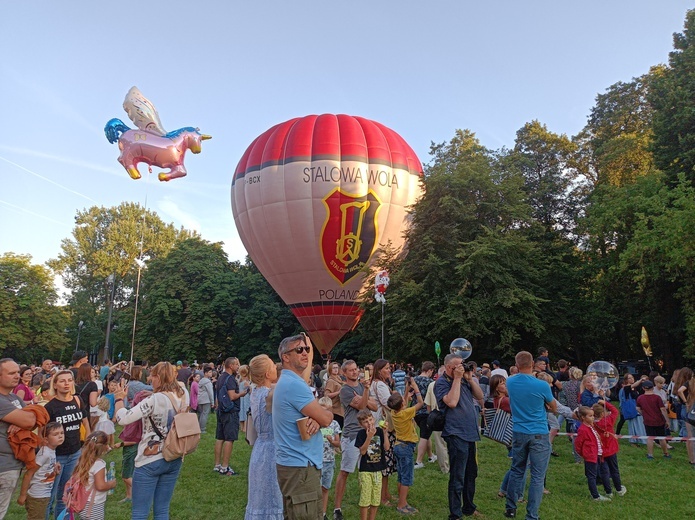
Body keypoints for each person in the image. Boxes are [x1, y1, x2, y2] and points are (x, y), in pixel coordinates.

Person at [113, 361, 188, 520]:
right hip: (174, 454)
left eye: (153, 376)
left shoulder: (155, 399)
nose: (150, 380)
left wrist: (119, 399)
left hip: (149, 459)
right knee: (162, 510)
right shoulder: (183, 394)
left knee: (140, 513)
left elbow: (124, 418)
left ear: (158, 378)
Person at [272, 333, 333, 520]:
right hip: (300, 467)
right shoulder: (294, 385)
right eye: (299, 350)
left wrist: (317, 417)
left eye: (306, 349)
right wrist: (321, 416)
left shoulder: (290, 381)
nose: (305, 353)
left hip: (295, 465)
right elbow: (327, 418)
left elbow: (320, 417)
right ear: (286, 357)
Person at [503, 350, 556, 520]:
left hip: (519, 431)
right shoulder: (542, 385)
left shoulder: (510, 381)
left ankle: (510, 508)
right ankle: (532, 515)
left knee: (517, 470)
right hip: (539, 432)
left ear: (516, 365)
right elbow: (553, 407)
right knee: (537, 477)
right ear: (532, 364)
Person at [434, 353, 484, 519]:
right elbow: (452, 402)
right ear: (449, 368)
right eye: (459, 366)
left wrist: (469, 379)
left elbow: (480, 396)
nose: (463, 368)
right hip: (456, 433)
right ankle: (455, 514)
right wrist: (456, 379)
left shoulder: (464, 379)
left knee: (471, 473)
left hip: (470, 433)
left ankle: (469, 507)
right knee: (458, 476)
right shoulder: (441, 383)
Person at [45, 369, 90, 520]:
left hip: (75, 452)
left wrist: (88, 438)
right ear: (55, 385)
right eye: (62, 381)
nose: (66, 384)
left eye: (69, 380)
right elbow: (43, 433)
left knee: (65, 493)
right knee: (49, 494)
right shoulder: (50, 407)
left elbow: (84, 419)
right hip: (57, 455)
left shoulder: (77, 400)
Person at [333, 360, 375, 520]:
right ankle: (337, 507)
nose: (354, 372)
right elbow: (363, 405)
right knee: (345, 471)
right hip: (352, 434)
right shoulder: (345, 390)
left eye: (356, 369)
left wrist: (364, 396)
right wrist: (365, 393)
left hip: (367, 432)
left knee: (367, 472)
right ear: (344, 373)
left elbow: (374, 406)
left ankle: (368, 503)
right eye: (350, 370)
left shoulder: (360, 387)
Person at [244, 354, 283, 520]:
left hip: (260, 446)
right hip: (271, 448)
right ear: (267, 374)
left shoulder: (255, 391)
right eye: (273, 366)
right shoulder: (268, 394)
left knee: (260, 497)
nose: (276, 368)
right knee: (272, 496)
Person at [1, 359, 38, 518]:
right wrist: (26, 420)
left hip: (12, 464)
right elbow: (31, 420)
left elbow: (38, 415)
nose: (17, 376)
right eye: (11, 373)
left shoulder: (14, 398)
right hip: (3, 467)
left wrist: (25, 420)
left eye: (17, 372)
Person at [389, 378, 424, 515]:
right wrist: (415, 388)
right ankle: (402, 505)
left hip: (399, 446)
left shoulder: (394, 412)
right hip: (406, 447)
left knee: (401, 476)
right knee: (406, 478)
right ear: (402, 404)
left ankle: (401, 500)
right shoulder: (405, 413)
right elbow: (420, 403)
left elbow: (402, 402)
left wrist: (406, 389)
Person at [17, 422, 64, 520]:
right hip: (37, 496)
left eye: (61, 433)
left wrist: (54, 470)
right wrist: (23, 495)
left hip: (44, 494)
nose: (60, 436)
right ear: (46, 439)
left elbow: (43, 472)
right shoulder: (44, 453)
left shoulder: (52, 450)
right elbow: (29, 473)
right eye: (55, 434)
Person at [68, 431, 116, 519]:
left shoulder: (82, 460)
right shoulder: (99, 464)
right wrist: (111, 483)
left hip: (82, 502)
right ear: (103, 447)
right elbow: (100, 486)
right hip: (94, 504)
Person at [213, 357, 248, 475]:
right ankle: (225, 467)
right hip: (230, 411)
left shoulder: (221, 377)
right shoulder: (230, 379)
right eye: (237, 364)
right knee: (229, 439)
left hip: (221, 410)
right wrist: (243, 393)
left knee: (220, 438)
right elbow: (232, 396)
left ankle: (217, 465)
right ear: (231, 366)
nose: (238, 366)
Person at [354, 409, 389, 520]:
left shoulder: (379, 431)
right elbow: (363, 451)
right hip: (365, 470)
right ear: (361, 424)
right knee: (365, 499)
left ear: (373, 419)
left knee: (375, 499)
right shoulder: (360, 434)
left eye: (370, 420)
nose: (369, 423)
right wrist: (369, 436)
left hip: (378, 470)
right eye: (365, 422)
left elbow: (386, 447)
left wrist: (385, 433)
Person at [574, 406, 613, 501]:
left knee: (603, 471)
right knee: (592, 476)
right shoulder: (583, 429)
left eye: (593, 416)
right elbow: (578, 444)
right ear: (583, 417)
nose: (592, 418)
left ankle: (608, 490)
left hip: (598, 454)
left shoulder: (591, 427)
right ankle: (595, 496)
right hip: (590, 456)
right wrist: (585, 454)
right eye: (590, 416)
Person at [591, 401, 626, 497]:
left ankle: (608, 492)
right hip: (611, 450)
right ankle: (619, 489)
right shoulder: (608, 421)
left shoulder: (592, 424)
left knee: (604, 472)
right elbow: (615, 411)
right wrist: (605, 402)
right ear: (602, 413)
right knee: (614, 470)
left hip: (600, 451)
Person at [318, 396, 341, 520]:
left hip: (329, 461)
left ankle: (323, 513)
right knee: (316, 489)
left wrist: (332, 441)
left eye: (326, 410)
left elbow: (338, 443)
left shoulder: (334, 424)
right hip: (317, 461)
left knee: (325, 488)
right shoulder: (316, 423)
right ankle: (316, 513)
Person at [636, 380, 671, 459]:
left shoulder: (640, 398)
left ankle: (650, 455)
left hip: (648, 421)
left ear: (643, 388)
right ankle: (666, 454)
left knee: (650, 438)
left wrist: (644, 414)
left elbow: (638, 408)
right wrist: (667, 420)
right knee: (661, 438)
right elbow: (663, 409)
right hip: (659, 421)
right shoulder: (657, 398)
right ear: (652, 387)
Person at [424, 367, 449, 474]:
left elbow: (428, 404)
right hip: (448, 415)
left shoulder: (432, 385)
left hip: (437, 416)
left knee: (440, 443)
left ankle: (445, 467)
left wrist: (431, 416)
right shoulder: (452, 384)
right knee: (446, 443)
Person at [413, 361, 436, 469]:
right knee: (423, 436)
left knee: (426, 435)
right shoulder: (431, 382)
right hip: (426, 411)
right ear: (430, 370)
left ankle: (431, 456)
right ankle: (419, 461)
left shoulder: (414, 380)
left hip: (415, 411)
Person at [619, 374, 647, 445]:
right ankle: (633, 441)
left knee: (640, 423)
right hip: (632, 409)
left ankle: (640, 439)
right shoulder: (625, 388)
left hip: (637, 408)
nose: (631, 379)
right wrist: (640, 380)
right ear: (626, 380)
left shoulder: (635, 389)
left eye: (632, 377)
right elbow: (633, 386)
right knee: (633, 424)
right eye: (629, 378)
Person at [676, 367, 695, 466]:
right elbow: (680, 391)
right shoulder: (689, 383)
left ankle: (692, 460)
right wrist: (686, 402)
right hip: (690, 408)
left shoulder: (687, 383)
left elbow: (679, 391)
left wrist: (685, 402)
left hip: (687, 409)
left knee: (690, 436)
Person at [323, 363, 344, 429]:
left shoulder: (339, 379)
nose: (336, 369)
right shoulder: (331, 381)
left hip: (341, 409)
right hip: (334, 409)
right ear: (330, 369)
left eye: (337, 367)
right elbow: (326, 395)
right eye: (334, 368)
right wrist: (338, 392)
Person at [197, 366, 215, 433]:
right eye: (210, 372)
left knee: (201, 414)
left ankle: (198, 427)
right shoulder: (208, 382)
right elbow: (211, 393)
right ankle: (202, 429)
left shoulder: (201, 381)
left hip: (200, 399)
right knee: (204, 414)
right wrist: (212, 402)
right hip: (206, 400)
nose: (211, 373)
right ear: (206, 373)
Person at [238, 364, 251, 434]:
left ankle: (243, 427)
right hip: (244, 398)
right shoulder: (245, 381)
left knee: (243, 412)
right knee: (244, 412)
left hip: (243, 398)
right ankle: (244, 428)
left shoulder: (242, 381)